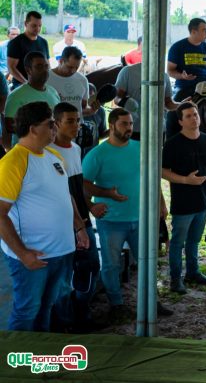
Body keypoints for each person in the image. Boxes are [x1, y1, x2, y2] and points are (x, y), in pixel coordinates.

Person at [0, 101, 89, 331]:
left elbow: (64, 195)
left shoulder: (52, 155)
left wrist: (79, 227)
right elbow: (0, 215)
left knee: (46, 308)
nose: (54, 128)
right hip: (33, 255)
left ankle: (38, 357)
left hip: (61, 251)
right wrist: (23, 254)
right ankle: (16, 361)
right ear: (32, 128)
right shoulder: (13, 161)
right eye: (50, 124)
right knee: (27, 310)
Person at [82, 108, 141, 320]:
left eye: (131, 124)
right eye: (124, 124)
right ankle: (116, 304)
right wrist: (91, 206)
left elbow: (151, 177)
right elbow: (82, 184)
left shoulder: (140, 148)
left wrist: (160, 203)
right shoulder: (97, 154)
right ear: (112, 125)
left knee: (147, 261)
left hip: (140, 218)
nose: (129, 128)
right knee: (111, 265)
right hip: (112, 220)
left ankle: (151, 302)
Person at [49, 102, 102, 332]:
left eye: (78, 120)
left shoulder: (76, 149)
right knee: (64, 276)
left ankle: (81, 314)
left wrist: (89, 207)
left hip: (82, 221)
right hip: (62, 224)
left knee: (89, 268)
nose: (77, 125)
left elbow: (77, 187)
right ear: (56, 123)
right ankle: (64, 322)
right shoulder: (49, 151)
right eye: (70, 121)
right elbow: (60, 194)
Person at [162, 102, 206, 294]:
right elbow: (162, 171)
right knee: (178, 242)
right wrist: (185, 180)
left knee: (194, 241)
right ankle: (175, 279)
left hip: (203, 201)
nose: (194, 118)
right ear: (180, 121)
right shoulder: (172, 143)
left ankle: (193, 273)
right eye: (188, 116)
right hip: (182, 203)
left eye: (195, 114)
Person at [166, 18, 206, 137]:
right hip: (184, 87)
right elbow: (170, 70)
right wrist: (182, 76)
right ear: (193, 31)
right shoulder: (177, 47)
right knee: (172, 113)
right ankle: (169, 142)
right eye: (204, 30)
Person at [3, 52, 60, 151]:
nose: (45, 70)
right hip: (25, 152)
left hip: (51, 150)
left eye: (46, 66)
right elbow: (9, 127)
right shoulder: (16, 96)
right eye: (39, 66)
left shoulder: (53, 92)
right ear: (28, 70)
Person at [114, 61, 179, 140]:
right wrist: (125, 101)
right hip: (133, 128)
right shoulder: (128, 71)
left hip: (158, 129)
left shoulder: (164, 75)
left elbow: (168, 103)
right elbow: (117, 98)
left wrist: (182, 105)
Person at [7, 11, 49, 89]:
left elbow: (47, 65)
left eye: (40, 26)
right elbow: (11, 67)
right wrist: (27, 83)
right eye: (34, 26)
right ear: (26, 24)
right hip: (21, 84)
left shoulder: (44, 42)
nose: (38, 28)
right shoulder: (16, 43)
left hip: (41, 84)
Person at [47, 47, 91, 116]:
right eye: (69, 67)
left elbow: (83, 107)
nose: (73, 71)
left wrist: (93, 110)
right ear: (61, 61)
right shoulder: (46, 78)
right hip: (54, 125)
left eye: (76, 67)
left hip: (78, 125)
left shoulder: (82, 80)